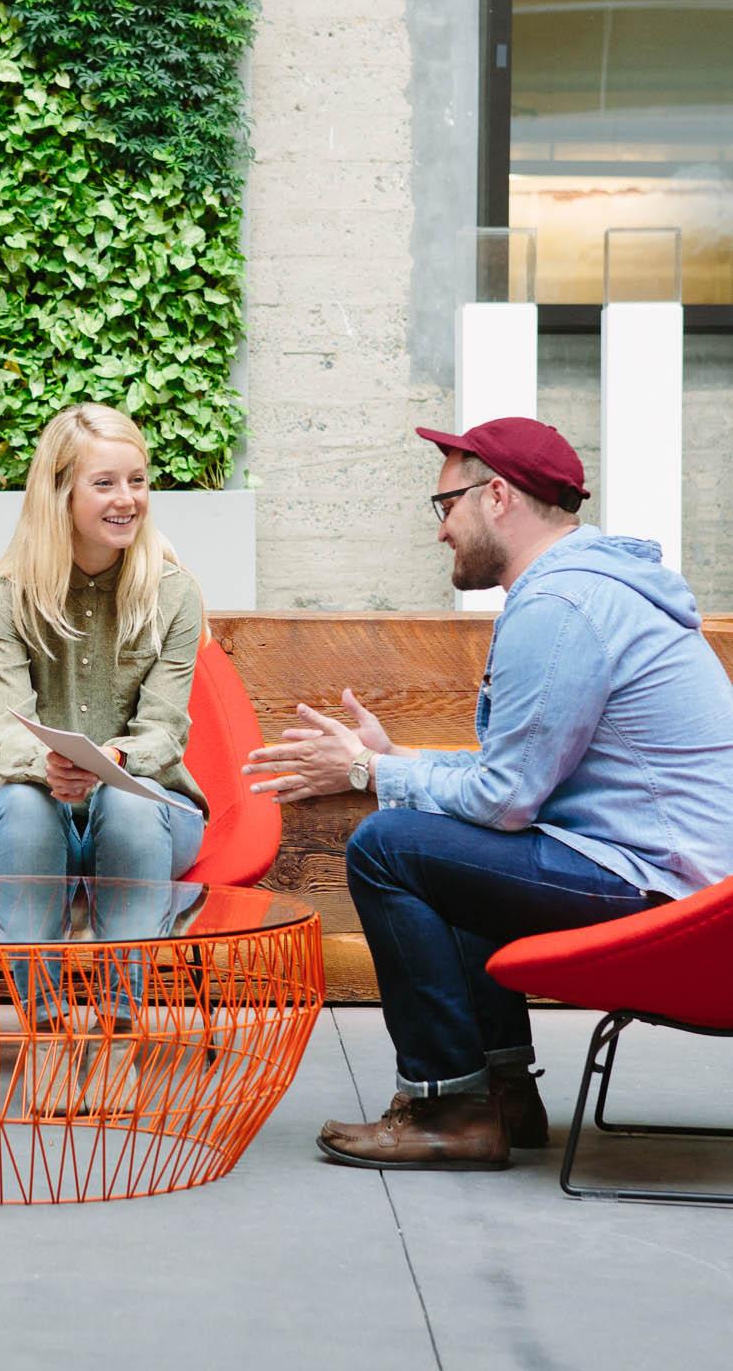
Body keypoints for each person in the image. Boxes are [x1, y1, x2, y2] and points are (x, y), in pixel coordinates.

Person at [245, 417, 733, 1170]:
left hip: (674, 902)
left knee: (387, 847)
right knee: (454, 851)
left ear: (496, 496)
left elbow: (505, 800)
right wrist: (396, 757)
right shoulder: (588, 591)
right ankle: (502, 1093)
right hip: (682, 884)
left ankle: (450, 1105)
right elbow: (516, 786)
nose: (440, 531)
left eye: (443, 506)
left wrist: (369, 773)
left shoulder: (560, 607)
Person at [0, 404, 212, 916]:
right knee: (27, 807)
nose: (127, 499)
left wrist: (113, 765)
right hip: (23, 810)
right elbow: (7, 731)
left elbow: (163, 733)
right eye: (104, 484)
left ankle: (122, 1001)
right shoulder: (4, 597)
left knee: (130, 803)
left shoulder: (175, 593)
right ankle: (41, 1001)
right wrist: (49, 767)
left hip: (148, 808)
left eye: (137, 481)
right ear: (60, 495)